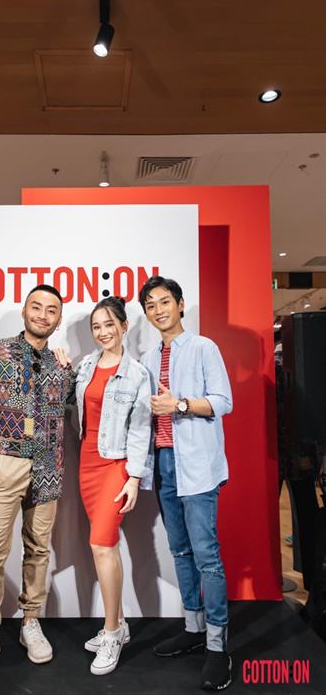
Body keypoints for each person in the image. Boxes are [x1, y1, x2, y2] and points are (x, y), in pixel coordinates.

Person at [0, 284, 74, 681]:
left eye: (51, 310)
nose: (43, 315)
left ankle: (30, 621)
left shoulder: (63, 365)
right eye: (36, 307)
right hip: (5, 464)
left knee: (38, 548)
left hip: (49, 467)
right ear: (24, 311)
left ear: (58, 319)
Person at [139, 276, 233, 692]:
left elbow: (223, 401)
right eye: (150, 305)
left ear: (180, 304)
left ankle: (217, 645)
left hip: (196, 464)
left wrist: (178, 404)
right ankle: (193, 628)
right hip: (163, 463)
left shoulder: (203, 347)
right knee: (179, 550)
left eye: (164, 302)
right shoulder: (146, 357)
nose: (158, 310)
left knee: (207, 556)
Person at [75, 296, 152, 675]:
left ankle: (111, 632)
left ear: (124, 326)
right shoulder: (85, 366)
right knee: (105, 547)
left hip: (115, 465)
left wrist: (134, 477)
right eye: (97, 326)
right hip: (86, 464)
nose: (103, 332)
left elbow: (141, 429)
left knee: (102, 545)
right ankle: (119, 624)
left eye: (110, 324)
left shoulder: (136, 374)